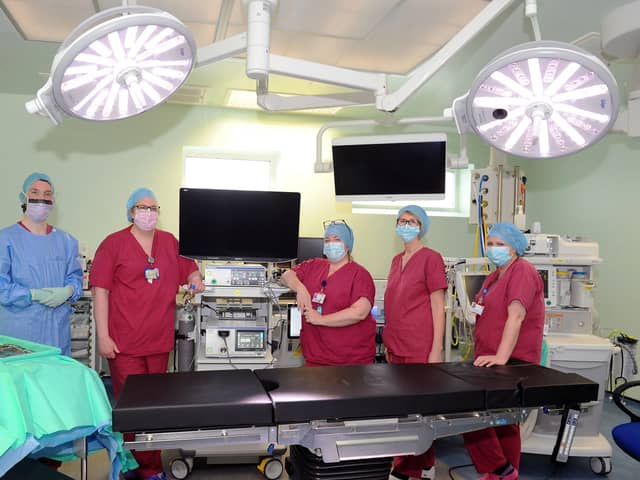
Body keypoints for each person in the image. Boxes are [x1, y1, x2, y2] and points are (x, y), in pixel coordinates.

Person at [89, 187, 205, 480]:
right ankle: (134, 466)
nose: (148, 213)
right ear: (131, 211)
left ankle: (150, 467)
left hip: (158, 341)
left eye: (154, 208)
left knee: (153, 408)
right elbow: (100, 291)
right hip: (124, 342)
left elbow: (189, 268)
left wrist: (195, 279)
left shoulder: (168, 242)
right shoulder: (113, 244)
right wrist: (103, 335)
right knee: (131, 410)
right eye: (142, 207)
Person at [463, 222, 545, 480]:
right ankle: (504, 473)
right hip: (490, 357)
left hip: (512, 361)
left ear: (515, 249)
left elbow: (516, 317)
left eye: (501, 245)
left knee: (470, 414)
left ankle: (500, 468)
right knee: (505, 423)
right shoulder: (494, 275)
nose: (494, 249)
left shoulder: (522, 272)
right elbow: (483, 309)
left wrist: (501, 357)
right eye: (491, 244)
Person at [384, 205, 447, 480]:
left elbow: (438, 306)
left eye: (412, 221)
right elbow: (394, 303)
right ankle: (426, 463)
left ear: (422, 227)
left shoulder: (431, 258)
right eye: (401, 220)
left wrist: (436, 349)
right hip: (397, 344)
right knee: (405, 409)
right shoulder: (396, 259)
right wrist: (388, 342)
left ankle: (407, 469)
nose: (405, 225)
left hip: (421, 346)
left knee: (415, 412)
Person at [0, 172, 83, 356]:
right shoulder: (5, 239)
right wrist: (32, 294)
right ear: (24, 197)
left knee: (54, 381)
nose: (41, 199)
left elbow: (75, 278)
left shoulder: (66, 241)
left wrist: (69, 290)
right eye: (35, 192)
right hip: (18, 334)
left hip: (56, 333)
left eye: (47, 194)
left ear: (53, 200)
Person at [281, 220, 376, 366]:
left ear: (348, 245)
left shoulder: (360, 275)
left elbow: (359, 312)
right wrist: (300, 288)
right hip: (315, 357)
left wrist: (321, 319)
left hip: (350, 362)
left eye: (337, 240)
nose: (331, 244)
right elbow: (286, 275)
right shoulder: (314, 265)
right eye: (327, 240)